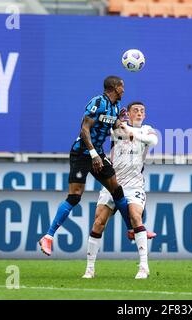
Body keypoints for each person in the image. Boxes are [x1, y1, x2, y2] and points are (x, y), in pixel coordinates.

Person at [39, 76, 138, 256]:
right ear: (115, 87)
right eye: (122, 86)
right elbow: (85, 129)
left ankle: (131, 229)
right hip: (82, 154)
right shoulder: (97, 102)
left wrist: (123, 126)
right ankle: (48, 236)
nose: (124, 89)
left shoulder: (115, 107)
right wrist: (93, 155)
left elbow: (111, 126)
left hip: (97, 154)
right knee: (75, 196)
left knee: (117, 190)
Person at [82, 101, 158, 279]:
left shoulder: (147, 130)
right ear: (129, 114)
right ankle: (90, 269)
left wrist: (130, 132)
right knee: (98, 222)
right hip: (112, 184)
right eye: (135, 110)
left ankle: (143, 267)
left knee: (135, 216)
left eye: (142, 111)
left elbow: (152, 141)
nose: (139, 113)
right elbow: (101, 129)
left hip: (134, 186)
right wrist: (116, 122)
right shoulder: (117, 129)